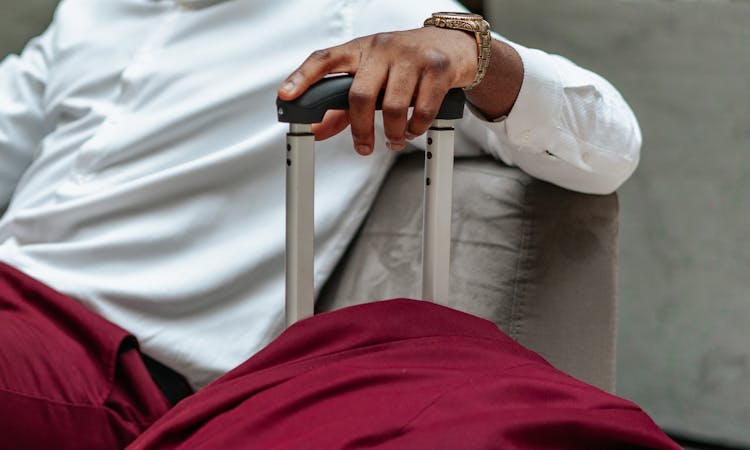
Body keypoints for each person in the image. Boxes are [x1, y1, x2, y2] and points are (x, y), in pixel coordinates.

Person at [0, 0, 659, 448]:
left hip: (110, 363)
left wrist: (470, 51)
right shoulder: (92, 12)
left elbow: (609, 146)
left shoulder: (365, 13)